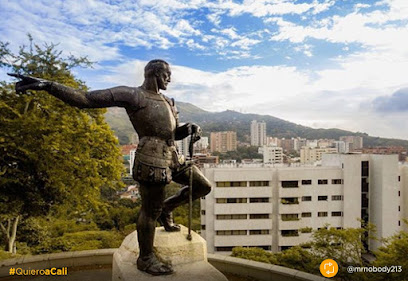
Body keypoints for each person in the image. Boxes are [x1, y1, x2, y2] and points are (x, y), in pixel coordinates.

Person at [9, 59, 212, 276]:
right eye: (166, 74)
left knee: (201, 186)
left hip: (173, 156)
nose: (170, 79)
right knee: (149, 210)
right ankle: (145, 258)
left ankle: (168, 207)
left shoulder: (167, 101)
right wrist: (48, 85)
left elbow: (170, 133)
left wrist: (187, 129)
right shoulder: (133, 95)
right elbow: (85, 99)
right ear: (153, 73)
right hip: (151, 158)